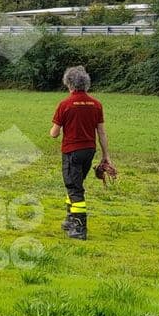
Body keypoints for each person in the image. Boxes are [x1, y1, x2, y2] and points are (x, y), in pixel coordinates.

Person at [49, 66, 111, 240]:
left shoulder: (65, 105)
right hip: (89, 151)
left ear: (69, 84)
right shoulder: (96, 104)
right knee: (76, 184)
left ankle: (79, 227)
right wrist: (106, 156)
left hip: (71, 151)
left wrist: (53, 130)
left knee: (74, 188)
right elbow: (102, 133)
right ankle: (69, 219)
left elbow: (54, 134)